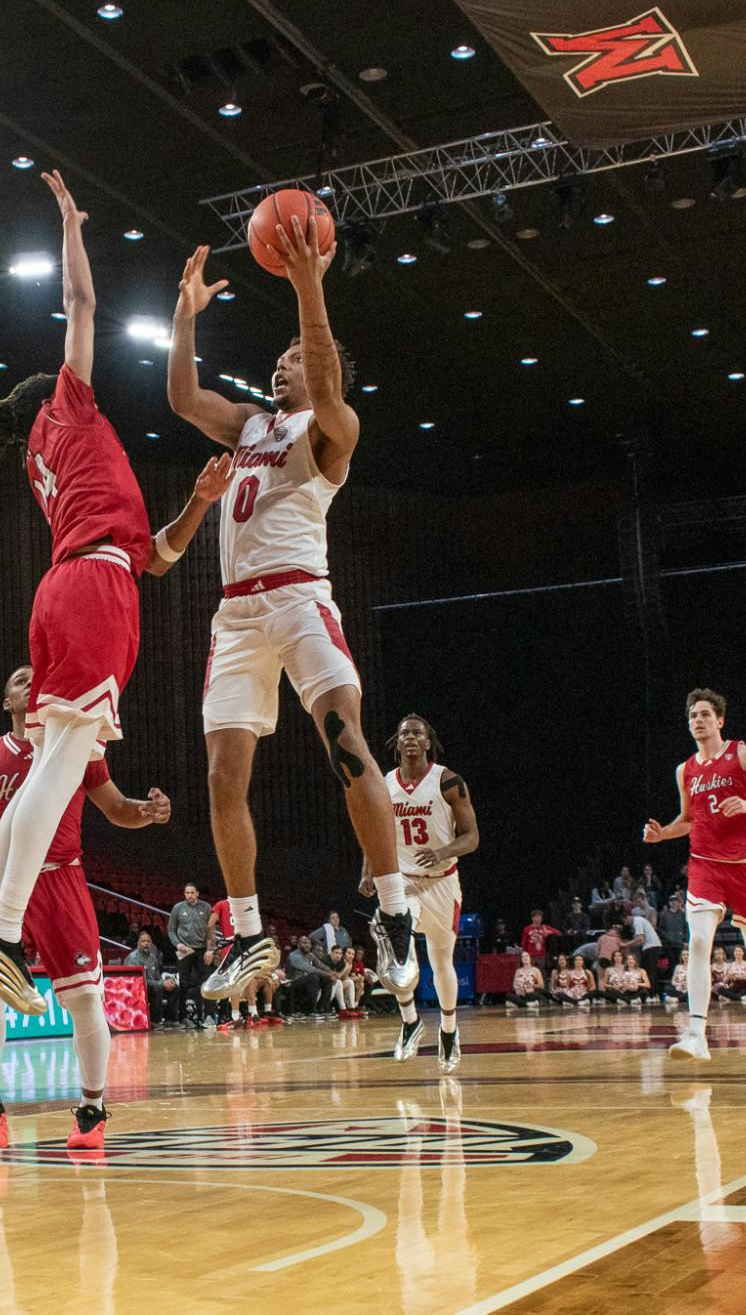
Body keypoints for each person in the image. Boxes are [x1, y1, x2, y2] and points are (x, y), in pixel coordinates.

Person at [166, 232, 418, 1011]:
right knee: (220, 776)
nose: (282, 364)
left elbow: (323, 367)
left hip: (302, 599)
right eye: (277, 357)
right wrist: (184, 315)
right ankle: (246, 935)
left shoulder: (331, 431)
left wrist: (310, 285)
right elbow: (182, 398)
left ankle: (395, 911)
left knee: (348, 746)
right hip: (237, 615)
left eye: (295, 357)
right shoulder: (247, 424)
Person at [0, 171, 175, 1019]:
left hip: (63, 586)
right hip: (93, 583)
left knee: (54, 761)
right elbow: (81, 304)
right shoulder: (68, 410)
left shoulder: (39, 453)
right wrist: (72, 225)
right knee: (69, 755)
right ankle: (0, 929)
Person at [0, 668, 171, 1146]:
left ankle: (92, 1110)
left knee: (86, 997)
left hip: (61, 875)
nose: (29, 682)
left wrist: (146, 812)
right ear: (6, 701)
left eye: (35, 676)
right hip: (4, 878)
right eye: (17, 680)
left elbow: (115, 808)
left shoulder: (76, 743)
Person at [643, 688, 746, 1062]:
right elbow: (688, 821)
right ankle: (696, 1033)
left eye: (705, 714)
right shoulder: (685, 770)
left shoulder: (744, 754)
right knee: (698, 942)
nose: (698, 720)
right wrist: (663, 832)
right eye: (693, 715)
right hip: (704, 865)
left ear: (720, 720)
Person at [373, 713, 480, 1069]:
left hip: (442, 881)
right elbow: (373, 831)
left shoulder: (448, 781)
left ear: (428, 741)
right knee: (395, 942)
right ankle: (409, 1021)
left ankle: (448, 1031)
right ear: (397, 742)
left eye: (416, 733)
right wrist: (368, 869)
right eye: (404, 733)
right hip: (401, 880)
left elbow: (471, 838)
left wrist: (441, 851)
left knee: (441, 962)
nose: (409, 738)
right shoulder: (384, 783)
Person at [167, 883, 215, 1004]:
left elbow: (211, 931)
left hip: (202, 949)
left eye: (192, 893)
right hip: (184, 950)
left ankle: (208, 1015)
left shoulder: (206, 907)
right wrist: (177, 944)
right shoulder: (178, 908)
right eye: (187, 893)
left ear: (197, 893)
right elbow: (171, 930)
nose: (189, 895)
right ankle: (183, 1016)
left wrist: (210, 950)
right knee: (183, 983)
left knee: (207, 981)